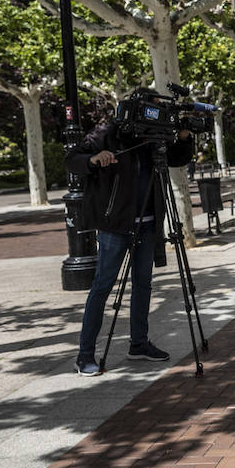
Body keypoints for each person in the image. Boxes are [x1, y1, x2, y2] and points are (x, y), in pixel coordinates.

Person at [67, 97, 194, 376]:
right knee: (102, 287)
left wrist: (183, 137)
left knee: (143, 285)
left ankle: (138, 344)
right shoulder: (105, 133)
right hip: (115, 226)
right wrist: (93, 159)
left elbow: (178, 159)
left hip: (149, 224)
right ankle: (85, 354)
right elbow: (72, 160)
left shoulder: (154, 137)